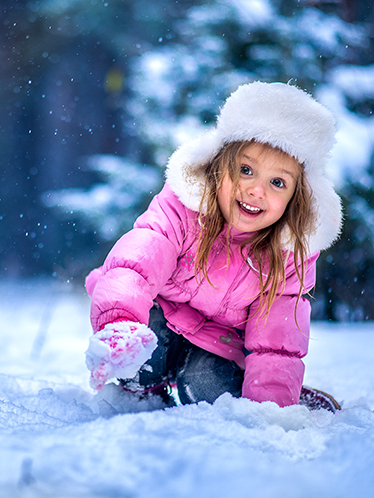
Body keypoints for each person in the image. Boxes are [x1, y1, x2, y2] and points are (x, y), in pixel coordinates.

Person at [84, 81, 343, 410]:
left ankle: (271, 393)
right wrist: (120, 323)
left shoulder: (288, 253)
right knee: (142, 360)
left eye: (277, 182)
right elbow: (134, 264)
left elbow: (277, 342)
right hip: (158, 315)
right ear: (219, 168)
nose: (256, 190)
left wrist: (274, 407)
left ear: (295, 198)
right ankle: (144, 390)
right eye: (245, 170)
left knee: (212, 390)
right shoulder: (182, 209)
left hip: (217, 343)